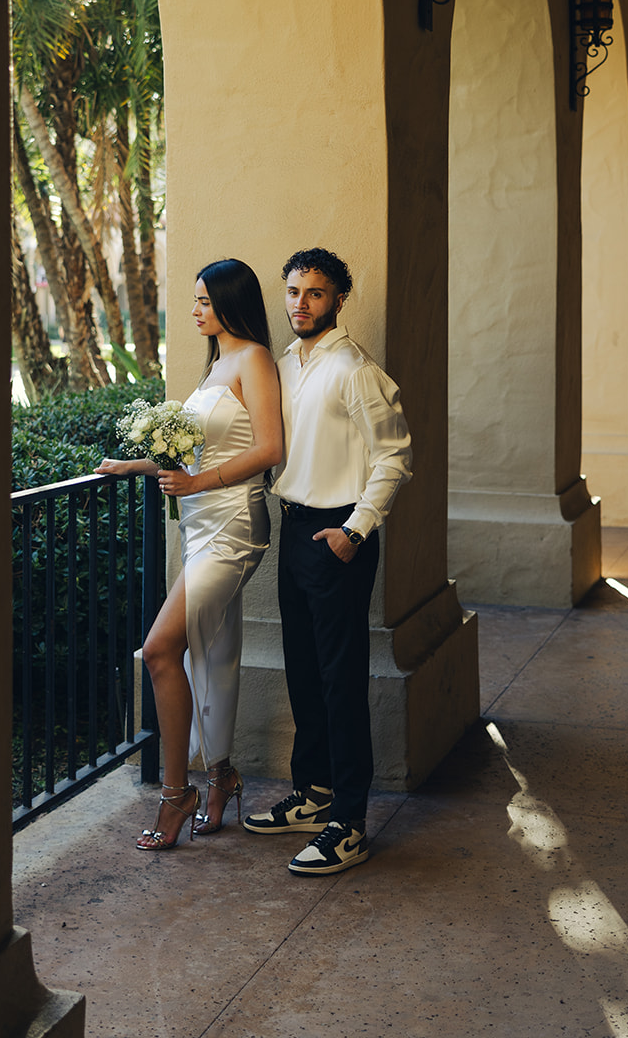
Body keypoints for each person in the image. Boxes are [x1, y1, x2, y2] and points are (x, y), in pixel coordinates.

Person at [98, 258, 282, 851]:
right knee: (213, 652)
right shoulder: (215, 367)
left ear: (229, 302)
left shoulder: (252, 358)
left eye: (204, 300)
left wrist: (199, 486)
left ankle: (177, 793)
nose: (195, 309)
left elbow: (270, 448)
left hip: (232, 527)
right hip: (200, 526)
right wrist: (140, 465)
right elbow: (196, 455)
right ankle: (222, 775)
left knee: (159, 650)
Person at [243, 248, 412, 876]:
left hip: (339, 535)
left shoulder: (354, 369)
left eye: (314, 293)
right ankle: (313, 794)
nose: (300, 304)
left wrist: (355, 530)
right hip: (295, 530)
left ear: (340, 299)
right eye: (292, 292)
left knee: (340, 680)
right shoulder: (286, 364)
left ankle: (349, 822)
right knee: (304, 670)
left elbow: (394, 456)